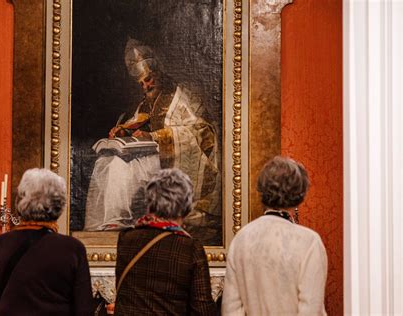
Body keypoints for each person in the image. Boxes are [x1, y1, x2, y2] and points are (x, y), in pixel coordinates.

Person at [84, 38, 221, 242]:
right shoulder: (146, 102)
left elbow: (201, 132)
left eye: (148, 79)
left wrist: (156, 137)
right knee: (111, 163)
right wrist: (124, 131)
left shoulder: (183, 97)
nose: (146, 86)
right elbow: (139, 122)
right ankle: (113, 221)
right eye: (141, 83)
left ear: (159, 73)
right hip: (153, 157)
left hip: (176, 162)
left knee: (123, 168)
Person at [0, 168, 95, 316]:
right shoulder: (72, 249)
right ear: (60, 204)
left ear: (20, 201)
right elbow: (84, 309)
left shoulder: (1, 244)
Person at [222, 156, 328, 315]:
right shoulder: (308, 242)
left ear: (262, 191)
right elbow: (311, 310)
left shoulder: (242, 239)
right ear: (300, 194)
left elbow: (231, 309)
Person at [114, 168, 217, 315]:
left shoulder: (126, 238)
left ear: (150, 201)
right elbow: (202, 309)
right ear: (186, 206)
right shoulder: (190, 248)